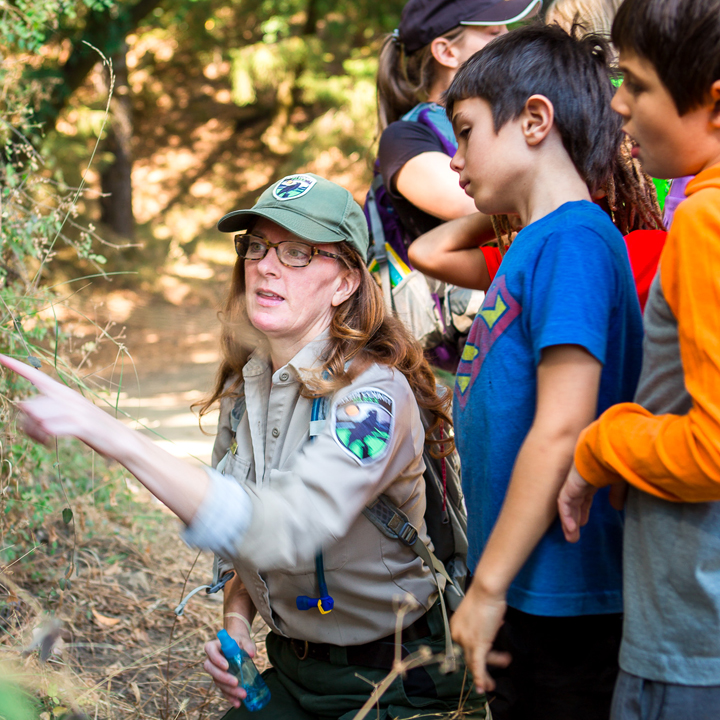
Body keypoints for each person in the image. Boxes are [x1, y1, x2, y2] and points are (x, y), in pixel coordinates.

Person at [0, 173, 489, 719]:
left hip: (398, 683)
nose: (266, 265)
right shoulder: (249, 387)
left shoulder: (374, 397)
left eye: (299, 252)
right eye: (256, 246)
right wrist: (238, 618)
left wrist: (110, 433)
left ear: (346, 282)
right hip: (296, 672)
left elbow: (286, 524)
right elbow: (245, 543)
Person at [440, 24, 645, 720]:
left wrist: (488, 586)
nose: (456, 160)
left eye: (465, 133)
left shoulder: (574, 242)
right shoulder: (537, 244)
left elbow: (563, 427)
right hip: (527, 587)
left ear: (533, 120)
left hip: (564, 596)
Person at [557, 1, 720, 718]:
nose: (618, 104)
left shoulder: (707, 221)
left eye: (640, 85)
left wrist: (601, 444)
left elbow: (713, 449)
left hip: (693, 626)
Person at [374, 0, 541, 367]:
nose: (509, 40)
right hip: (445, 358)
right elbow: (477, 201)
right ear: (446, 51)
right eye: (494, 33)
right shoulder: (404, 138)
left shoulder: (510, 122)